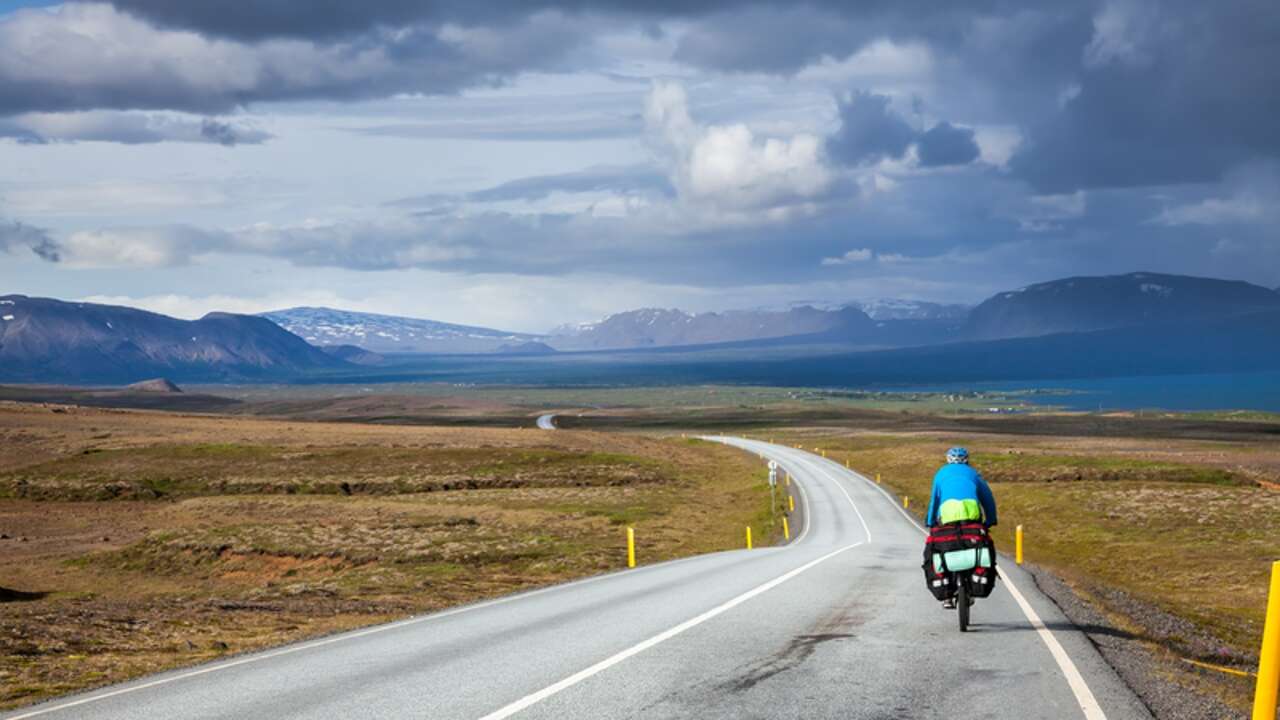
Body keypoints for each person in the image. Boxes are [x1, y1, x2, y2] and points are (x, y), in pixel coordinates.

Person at [925, 447, 997, 608]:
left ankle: (947, 595)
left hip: (947, 517)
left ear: (947, 460)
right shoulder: (973, 473)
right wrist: (991, 520)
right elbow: (988, 498)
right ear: (967, 460)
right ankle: (974, 581)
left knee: (942, 546)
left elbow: (934, 501)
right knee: (979, 542)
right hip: (971, 516)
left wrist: (930, 522)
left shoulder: (940, 474)